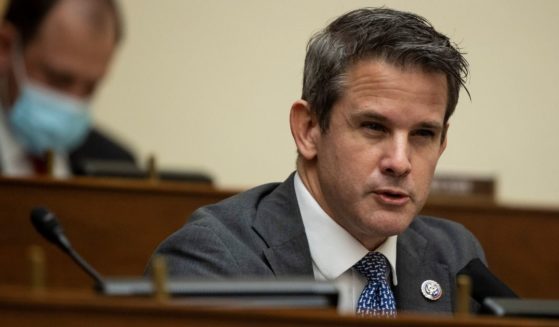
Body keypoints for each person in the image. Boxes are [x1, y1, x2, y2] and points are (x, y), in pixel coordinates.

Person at [148, 8, 487, 315]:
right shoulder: (213, 261)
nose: (400, 162)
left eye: (423, 134)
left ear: (443, 141)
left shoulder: (455, 256)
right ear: (308, 129)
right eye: (373, 127)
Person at [0, 0, 136, 177]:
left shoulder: (117, 166)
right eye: (59, 80)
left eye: (90, 86)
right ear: (5, 47)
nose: (73, 101)